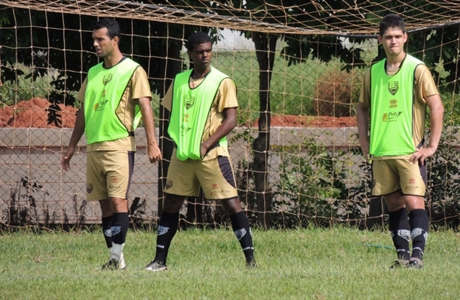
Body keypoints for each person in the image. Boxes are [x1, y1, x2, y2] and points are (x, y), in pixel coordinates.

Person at [145, 32, 256, 272]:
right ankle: (159, 261)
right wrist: (176, 139)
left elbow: (231, 120)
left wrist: (207, 143)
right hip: (183, 155)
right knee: (171, 202)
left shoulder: (222, 81)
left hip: (212, 154)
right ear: (190, 54)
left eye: (208, 50)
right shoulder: (179, 80)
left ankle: (251, 261)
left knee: (230, 203)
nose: (205, 55)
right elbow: (170, 113)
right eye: (200, 51)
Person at [61, 18, 162, 270]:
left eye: (100, 39)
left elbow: (145, 106)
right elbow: (83, 111)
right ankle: (117, 258)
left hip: (119, 144)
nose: (94, 44)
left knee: (118, 201)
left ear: (114, 40)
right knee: (104, 203)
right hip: (94, 147)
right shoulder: (93, 73)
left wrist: (151, 142)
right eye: (93, 39)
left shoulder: (133, 70)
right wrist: (72, 145)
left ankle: (115, 259)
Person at [357, 14, 444, 269]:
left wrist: (431, 146)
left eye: (397, 36)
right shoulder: (372, 72)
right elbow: (361, 107)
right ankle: (403, 257)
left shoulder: (417, 69)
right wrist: (364, 141)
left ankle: (417, 257)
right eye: (388, 37)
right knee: (394, 204)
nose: (393, 41)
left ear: (405, 38)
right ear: (380, 40)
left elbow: (436, 106)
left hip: (410, 151)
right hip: (382, 152)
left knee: (415, 201)